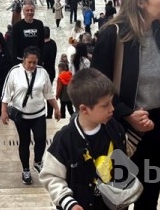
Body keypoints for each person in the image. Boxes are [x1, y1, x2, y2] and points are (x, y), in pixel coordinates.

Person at [91, 0, 160, 209]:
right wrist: (126, 113)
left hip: (155, 126)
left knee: (148, 200)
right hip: (120, 128)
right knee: (115, 201)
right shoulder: (114, 35)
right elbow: (95, 86)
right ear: (140, 1)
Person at [40, 68, 128, 210]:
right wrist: (68, 202)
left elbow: (124, 153)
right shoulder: (64, 140)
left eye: (111, 103)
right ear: (84, 109)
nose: (112, 109)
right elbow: (51, 175)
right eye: (105, 105)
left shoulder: (114, 127)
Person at [1, 46, 61, 185]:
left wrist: (56, 108)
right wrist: (3, 111)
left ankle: (38, 161)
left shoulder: (42, 72)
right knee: (24, 141)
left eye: (35, 62)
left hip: (38, 113)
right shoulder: (14, 72)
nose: (32, 65)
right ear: (24, 59)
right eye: (30, 62)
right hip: (21, 115)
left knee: (41, 139)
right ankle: (26, 170)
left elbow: (48, 93)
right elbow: (6, 93)